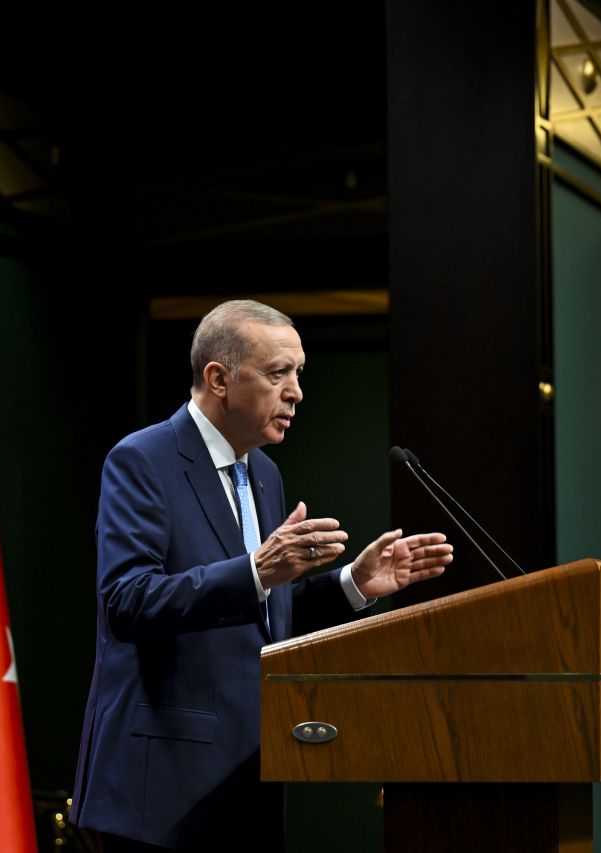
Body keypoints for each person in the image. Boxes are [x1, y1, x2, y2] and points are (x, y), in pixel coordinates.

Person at [69, 300, 452, 852]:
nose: (296, 391)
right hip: (161, 790)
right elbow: (127, 603)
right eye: (279, 373)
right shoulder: (143, 460)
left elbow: (265, 616)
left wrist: (354, 584)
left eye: (298, 373)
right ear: (219, 378)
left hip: (247, 784)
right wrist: (254, 571)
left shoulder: (263, 473)